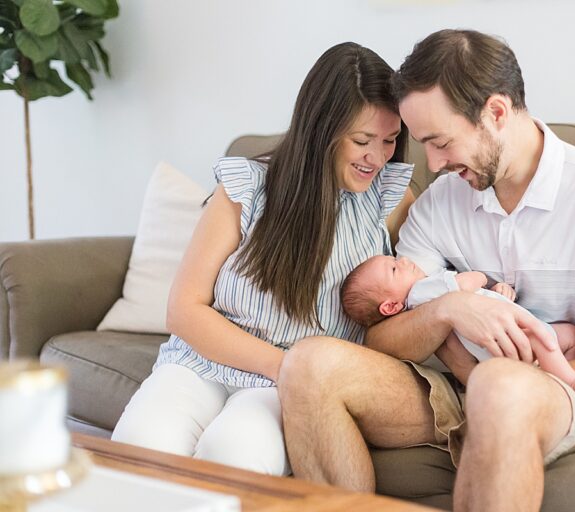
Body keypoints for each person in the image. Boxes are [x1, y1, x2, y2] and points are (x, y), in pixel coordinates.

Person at [277, 29, 575, 511]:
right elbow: (382, 339)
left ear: (495, 113)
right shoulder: (441, 204)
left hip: (557, 395)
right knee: (307, 363)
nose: (433, 164)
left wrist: (504, 373)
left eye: (440, 142)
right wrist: (451, 310)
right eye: (421, 145)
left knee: (498, 385)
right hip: (453, 387)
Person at [110, 42, 414, 476]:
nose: (378, 156)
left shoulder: (390, 197)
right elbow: (184, 310)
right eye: (362, 140)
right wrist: (281, 363)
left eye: (390, 140)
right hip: (204, 363)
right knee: (140, 450)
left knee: (234, 455)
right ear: (320, 130)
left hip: (289, 387)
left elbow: (432, 269)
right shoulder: (246, 187)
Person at [341, 254, 575, 398]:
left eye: (394, 259)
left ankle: (560, 385)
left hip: (499, 346)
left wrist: (498, 292)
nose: (404, 261)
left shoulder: (421, 307)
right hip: (508, 338)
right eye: (395, 269)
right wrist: (481, 278)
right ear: (391, 307)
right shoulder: (420, 292)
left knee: (570, 335)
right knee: (547, 339)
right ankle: (571, 382)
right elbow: (465, 284)